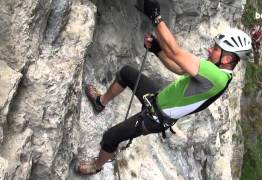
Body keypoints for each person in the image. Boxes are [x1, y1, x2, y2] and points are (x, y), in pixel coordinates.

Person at [76, 0, 252, 175]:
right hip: (158, 99)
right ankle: (101, 102)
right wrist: (156, 49)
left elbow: (175, 52)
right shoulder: (216, 73)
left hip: (155, 117)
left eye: (215, 48)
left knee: (110, 137)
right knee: (127, 73)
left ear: (227, 59)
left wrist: (156, 17)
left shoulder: (216, 77)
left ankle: (96, 166)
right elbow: (178, 67)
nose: (209, 49)